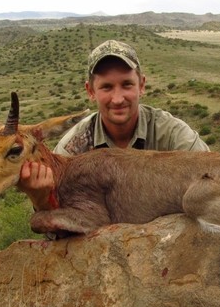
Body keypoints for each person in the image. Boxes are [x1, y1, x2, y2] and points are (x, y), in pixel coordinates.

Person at [18, 40, 209, 208]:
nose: (117, 99)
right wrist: (41, 199)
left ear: (141, 85)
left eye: (127, 84)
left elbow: (213, 181)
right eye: (106, 87)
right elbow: (57, 227)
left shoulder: (172, 135)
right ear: (90, 91)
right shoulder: (72, 148)